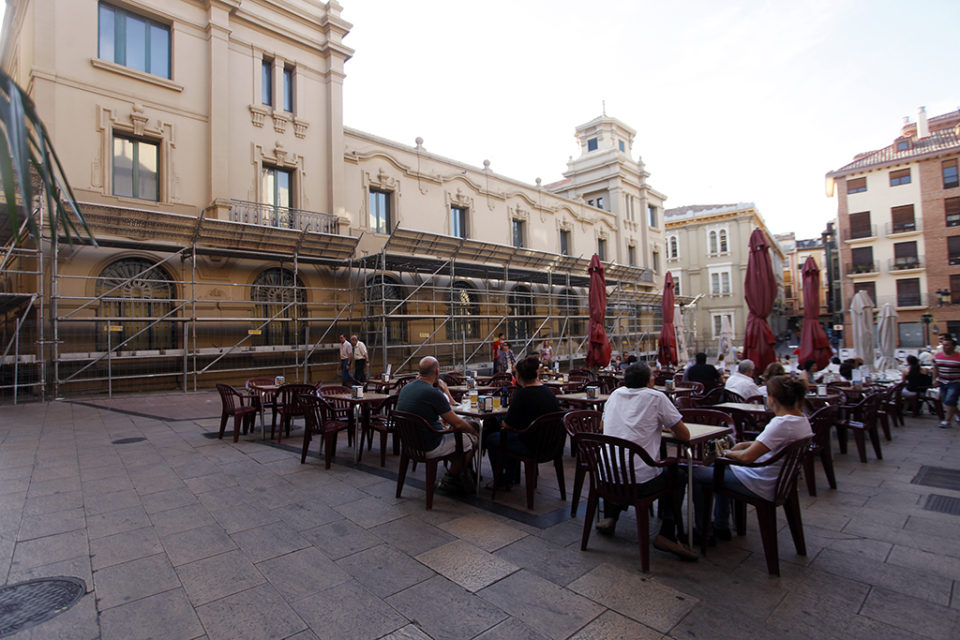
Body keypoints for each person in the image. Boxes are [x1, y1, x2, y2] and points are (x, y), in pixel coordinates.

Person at [595, 362, 696, 560]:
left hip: (606, 479)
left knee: (624, 462)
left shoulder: (615, 394)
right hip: (639, 484)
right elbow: (684, 435)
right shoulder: (657, 397)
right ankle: (667, 533)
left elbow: (602, 425)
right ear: (650, 381)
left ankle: (612, 514)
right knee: (678, 475)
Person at [693, 375, 814, 542]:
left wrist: (725, 452)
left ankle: (702, 531)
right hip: (776, 480)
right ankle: (721, 524)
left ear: (772, 399)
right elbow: (770, 444)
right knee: (718, 469)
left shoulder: (780, 424)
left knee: (696, 474)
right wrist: (746, 445)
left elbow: (746, 458)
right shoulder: (801, 420)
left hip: (760, 481)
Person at [397, 356, 478, 491]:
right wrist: (473, 430)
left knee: (460, 440)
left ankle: (460, 472)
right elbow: (458, 424)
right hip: (429, 446)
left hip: (409, 444)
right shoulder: (433, 393)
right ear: (437, 372)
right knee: (473, 439)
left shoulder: (406, 388)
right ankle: (451, 477)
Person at [483, 356, 560, 489]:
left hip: (532, 446)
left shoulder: (523, 394)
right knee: (510, 436)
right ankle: (511, 476)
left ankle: (502, 479)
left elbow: (507, 425)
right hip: (552, 445)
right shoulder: (548, 392)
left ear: (517, 375)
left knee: (493, 438)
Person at [933, 333, 960, 428]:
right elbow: (935, 368)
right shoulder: (938, 356)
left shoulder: (958, 357)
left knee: (950, 400)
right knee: (946, 401)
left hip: (955, 382)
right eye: (944, 345)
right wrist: (935, 379)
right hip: (942, 381)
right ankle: (959, 416)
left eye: (947, 345)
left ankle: (947, 421)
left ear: (953, 346)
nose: (945, 347)